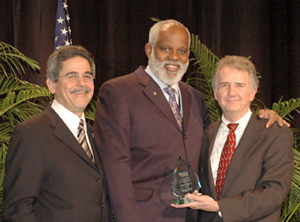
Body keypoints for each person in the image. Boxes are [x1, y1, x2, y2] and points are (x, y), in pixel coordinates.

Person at [94, 20, 287, 222]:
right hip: (146, 216)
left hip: (194, 216)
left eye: (182, 51)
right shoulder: (119, 92)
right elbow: (115, 168)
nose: (174, 57)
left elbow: (215, 145)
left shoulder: (194, 97)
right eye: (166, 48)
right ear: (149, 50)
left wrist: (262, 116)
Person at [171, 55, 294, 222]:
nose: (232, 93)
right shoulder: (204, 134)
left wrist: (220, 207)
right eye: (224, 85)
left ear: (252, 92)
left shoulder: (275, 133)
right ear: (215, 92)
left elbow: (274, 192)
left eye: (239, 85)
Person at [3, 45, 111, 221]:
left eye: (87, 76)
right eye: (72, 76)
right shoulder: (31, 133)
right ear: (51, 85)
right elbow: (18, 209)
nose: (81, 83)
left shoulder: (95, 134)